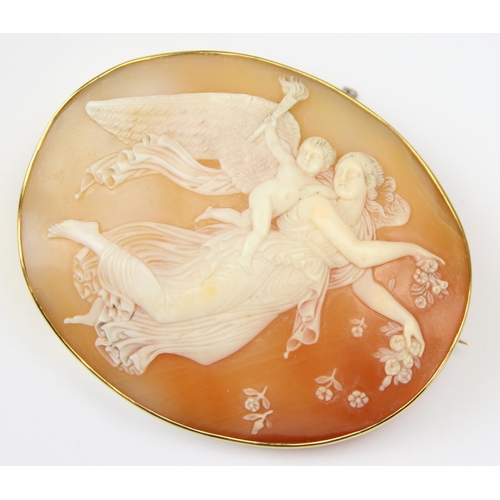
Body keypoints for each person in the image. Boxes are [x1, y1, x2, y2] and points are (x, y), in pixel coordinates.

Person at [48, 151, 441, 375]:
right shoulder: (320, 204)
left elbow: (364, 282)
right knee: (168, 308)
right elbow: (356, 253)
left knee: (208, 349)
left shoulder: (365, 228)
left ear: (370, 185)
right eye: (340, 171)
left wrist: (407, 318)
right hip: (261, 264)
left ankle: (123, 317)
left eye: (353, 174)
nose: (342, 178)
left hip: (272, 297)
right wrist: (410, 248)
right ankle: (93, 238)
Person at [195, 119, 337, 273]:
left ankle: (212, 212)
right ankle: (244, 258)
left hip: (272, 207)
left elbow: (333, 194)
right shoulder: (289, 163)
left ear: (324, 165)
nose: (307, 158)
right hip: (264, 196)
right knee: (261, 231)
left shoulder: (312, 183)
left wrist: (317, 189)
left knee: (243, 221)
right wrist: (269, 128)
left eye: (314, 156)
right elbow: (274, 145)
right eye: (304, 152)